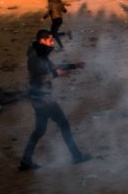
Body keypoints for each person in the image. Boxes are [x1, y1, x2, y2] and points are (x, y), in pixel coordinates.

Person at [19, 29, 92, 171]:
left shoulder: (38, 53)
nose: (53, 42)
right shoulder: (35, 58)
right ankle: (76, 156)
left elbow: (53, 67)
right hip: (44, 99)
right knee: (64, 124)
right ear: (42, 41)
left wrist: (74, 66)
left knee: (39, 130)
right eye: (50, 40)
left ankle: (26, 160)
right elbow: (43, 76)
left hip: (38, 98)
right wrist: (57, 74)